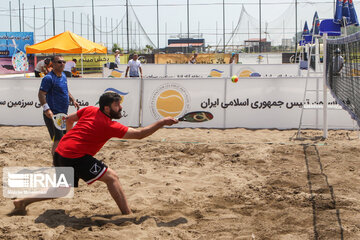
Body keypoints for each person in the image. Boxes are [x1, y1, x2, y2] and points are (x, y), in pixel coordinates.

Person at [10, 92, 178, 216]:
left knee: (61, 190)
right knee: (112, 177)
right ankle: (128, 214)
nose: (120, 108)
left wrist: (70, 137)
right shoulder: (110, 126)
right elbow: (140, 134)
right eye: (117, 105)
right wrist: (162, 122)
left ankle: (22, 201)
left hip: (61, 151)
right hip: (75, 157)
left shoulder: (90, 109)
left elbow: (68, 119)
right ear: (106, 108)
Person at [38, 55, 80, 155]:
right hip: (53, 114)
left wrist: (73, 99)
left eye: (63, 62)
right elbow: (41, 94)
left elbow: (65, 90)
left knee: (62, 139)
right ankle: (56, 163)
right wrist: (47, 109)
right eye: (59, 62)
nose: (62, 64)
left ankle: (60, 160)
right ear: (53, 64)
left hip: (62, 115)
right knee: (58, 140)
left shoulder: (63, 75)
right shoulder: (48, 78)